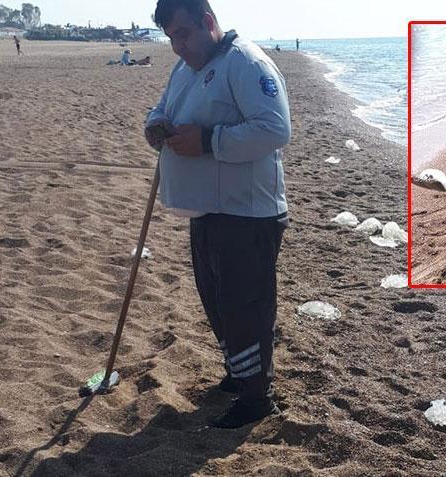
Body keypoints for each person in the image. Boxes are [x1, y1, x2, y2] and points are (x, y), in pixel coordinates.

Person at [145, 0, 291, 428]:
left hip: (246, 212)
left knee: (244, 303)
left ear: (208, 21)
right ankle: (239, 372)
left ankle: (256, 397)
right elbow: (163, 107)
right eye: (171, 37)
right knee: (216, 299)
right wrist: (156, 126)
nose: (178, 45)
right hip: (206, 207)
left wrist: (209, 140)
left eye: (184, 34)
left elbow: (275, 129)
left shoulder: (245, 62)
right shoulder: (186, 67)